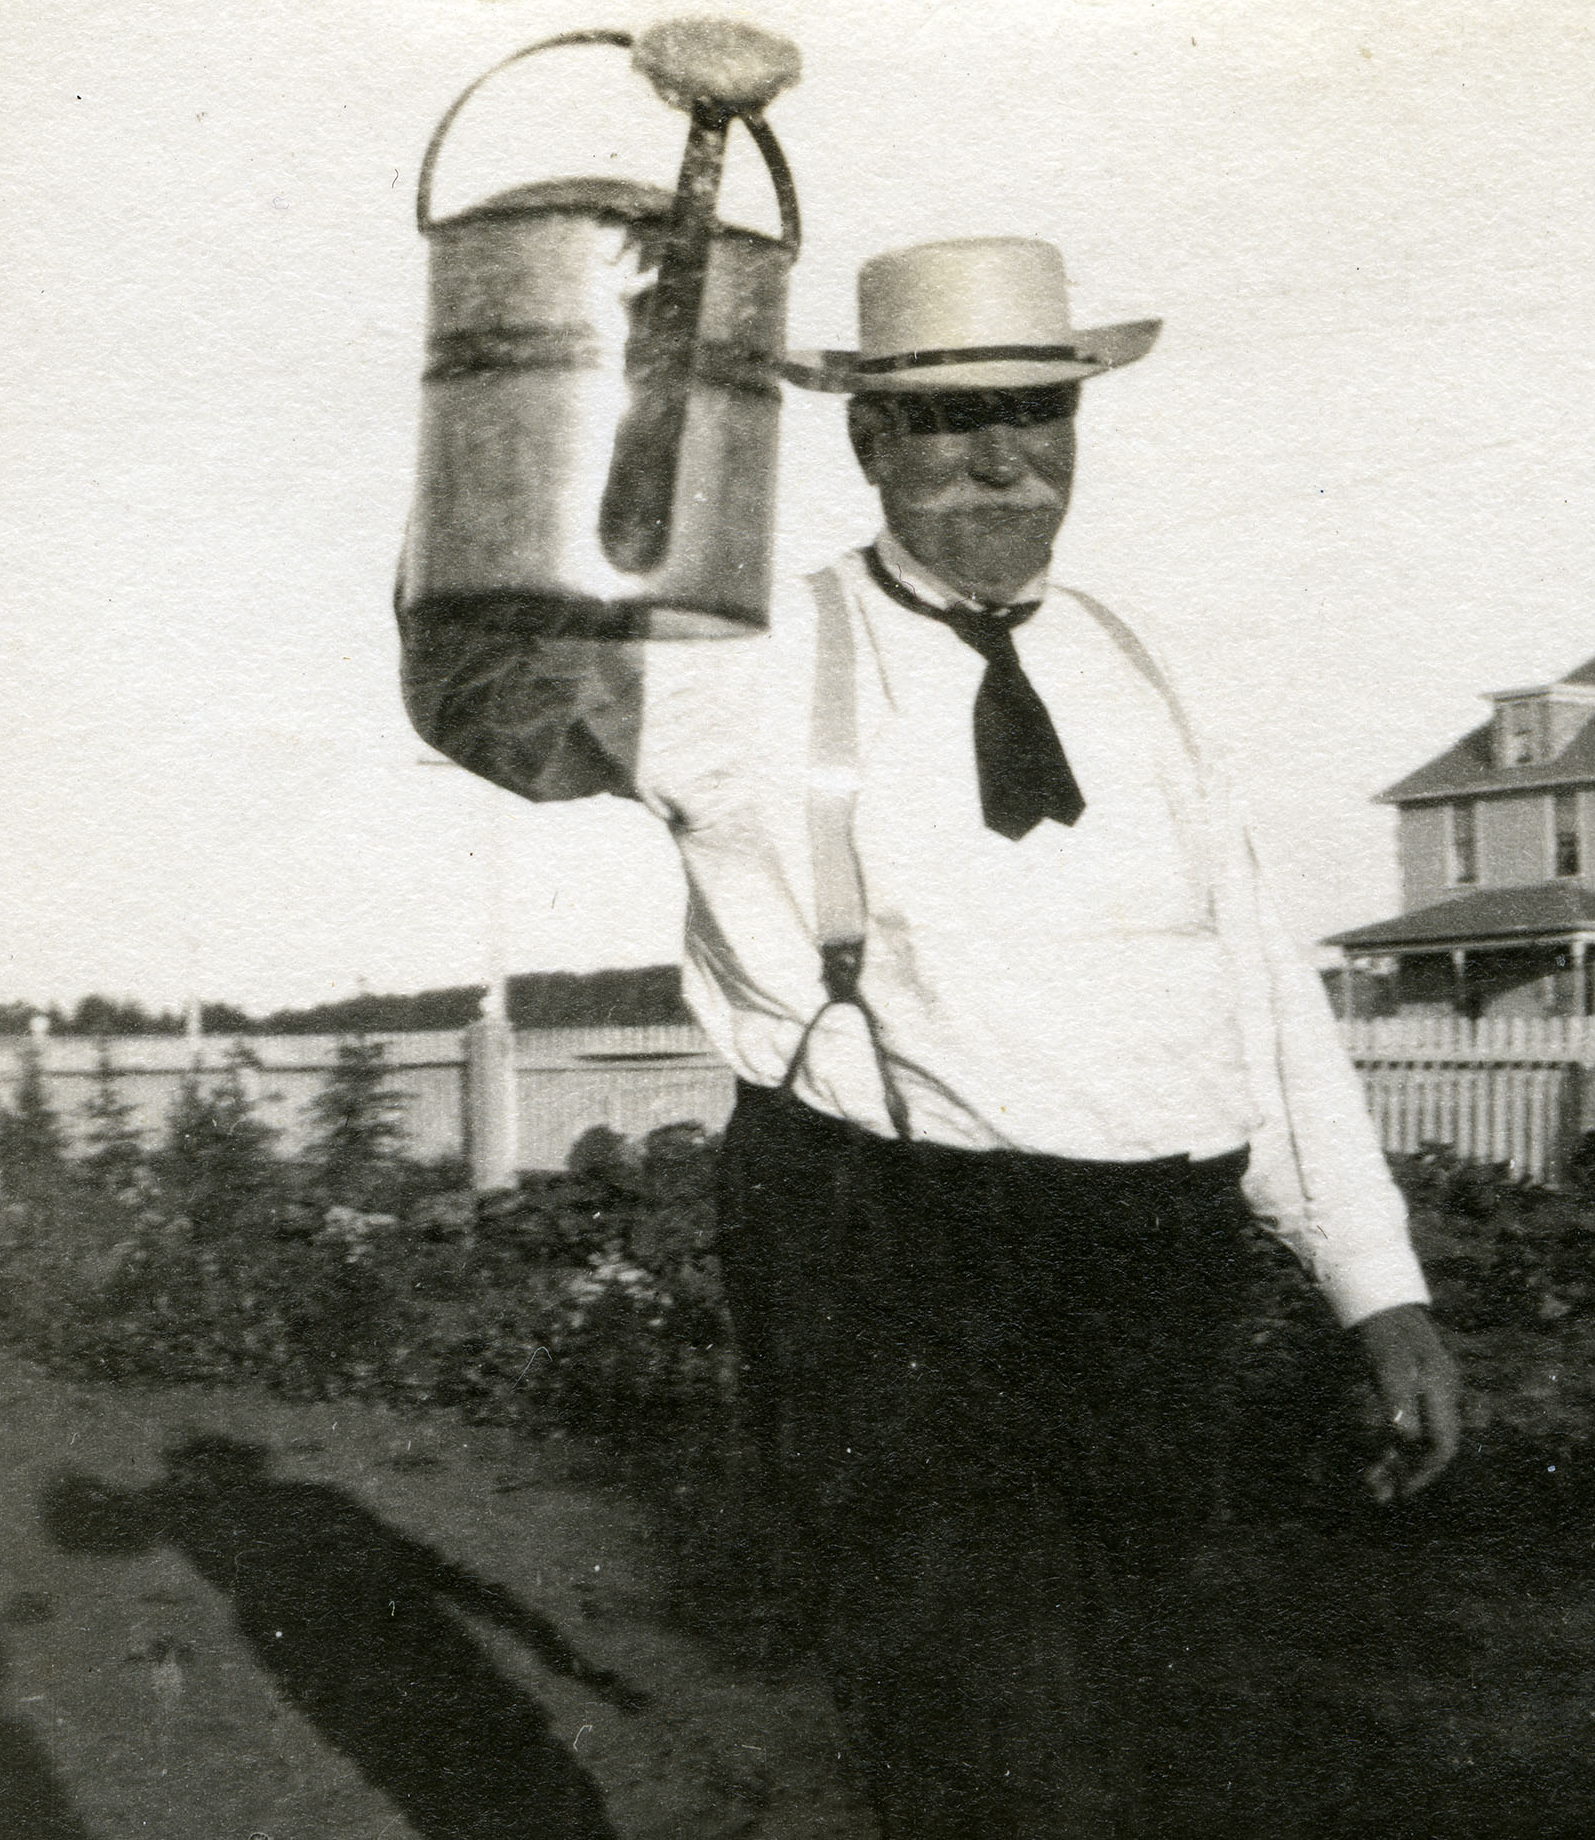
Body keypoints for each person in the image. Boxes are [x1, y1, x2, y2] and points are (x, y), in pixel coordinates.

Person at [400, 234, 1460, 1838]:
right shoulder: (743, 663)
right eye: (947, 420)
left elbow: (1255, 991)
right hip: (896, 1252)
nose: (998, 456)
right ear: (866, 439)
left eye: (1034, 410)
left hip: (1155, 1265)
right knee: (980, 1743)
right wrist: (592, 378)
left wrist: (1378, 1289)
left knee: (1152, 1716)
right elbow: (486, 687)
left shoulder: (1135, 670)